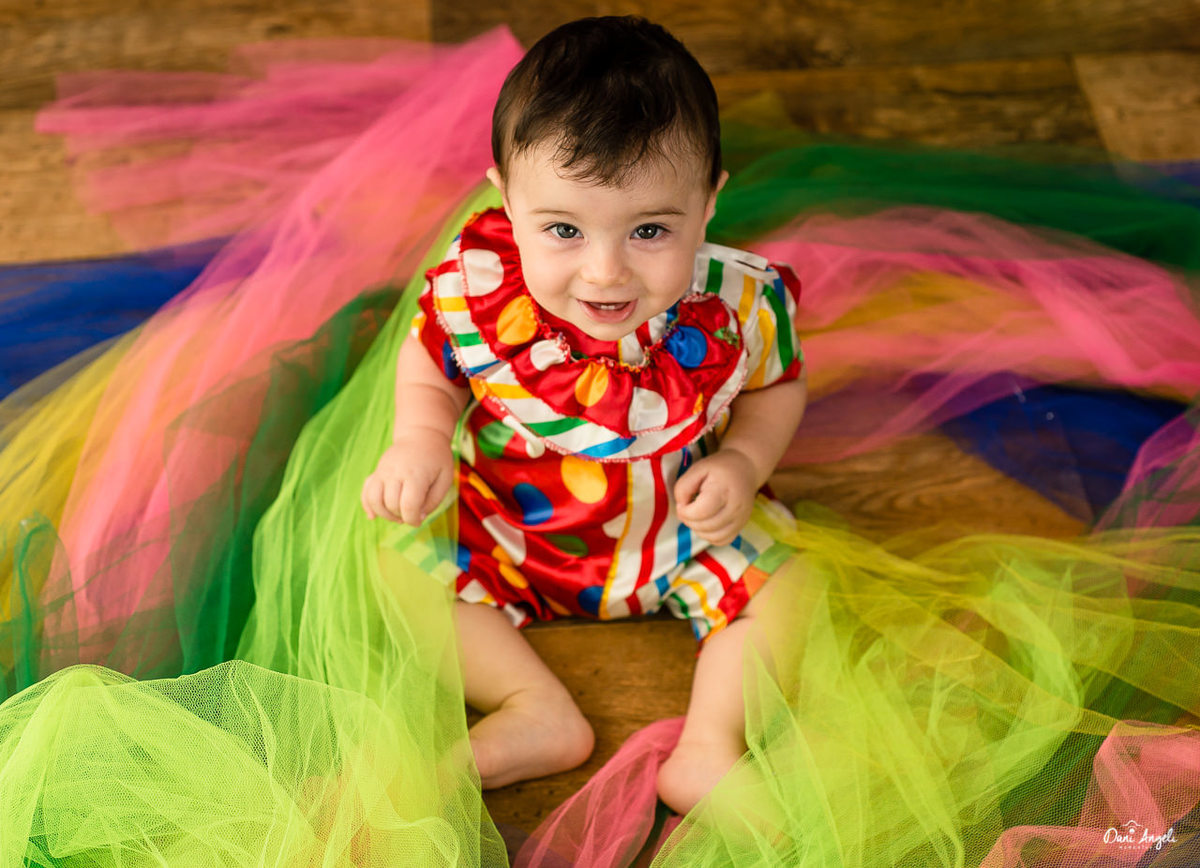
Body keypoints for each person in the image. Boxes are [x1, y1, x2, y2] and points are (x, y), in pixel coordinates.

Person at [360, 16, 808, 815]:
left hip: (682, 533)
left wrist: (744, 463)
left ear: (709, 202)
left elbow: (778, 387)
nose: (605, 272)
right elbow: (431, 361)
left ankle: (709, 745)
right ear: (507, 199)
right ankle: (532, 709)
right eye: (563, 229)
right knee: (396, 573)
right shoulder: (483, 294)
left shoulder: (738, 306)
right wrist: (420, 439)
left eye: (650, 230)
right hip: (511, 532)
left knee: (795, 584)